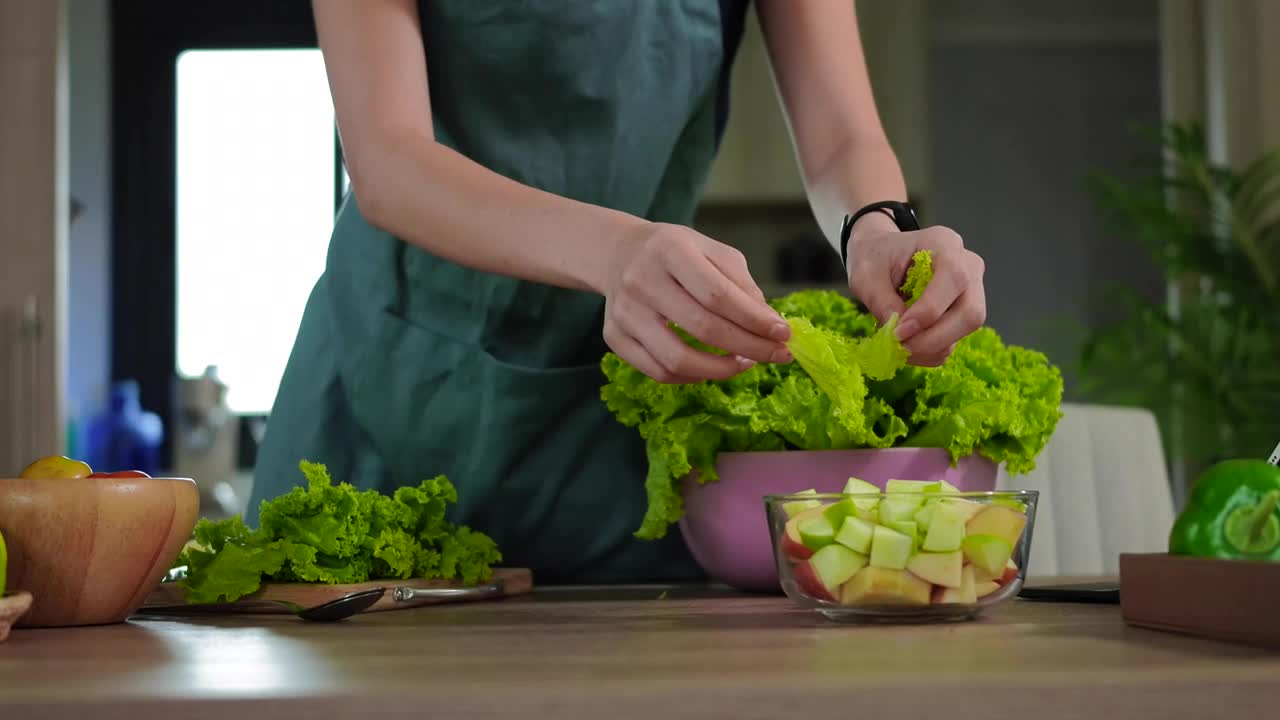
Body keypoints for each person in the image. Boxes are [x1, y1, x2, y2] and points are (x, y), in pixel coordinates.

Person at [247, 0, 988, 584]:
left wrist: (879, 227)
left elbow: (841, 136)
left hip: (619, 404)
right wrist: (615, 251)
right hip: (396, 386)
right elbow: (388, 160)